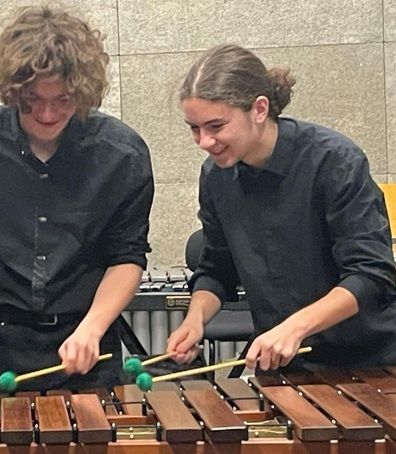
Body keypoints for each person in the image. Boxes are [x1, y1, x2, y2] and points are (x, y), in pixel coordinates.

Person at [0, 5, 154, 395]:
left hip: (87, 347)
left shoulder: (122, 154)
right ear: (12, 91)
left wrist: (92, 328)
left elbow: (127, 256)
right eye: (32, 101)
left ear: (84, 91)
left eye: (64, 99)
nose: (48, 113)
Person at [168, 44, 396, 372]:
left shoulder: (334, 162)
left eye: (216, 126)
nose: (204, 142)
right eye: (194, 128)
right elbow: (218, 269)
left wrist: (295, 327)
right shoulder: (215, 176)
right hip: (285, 369)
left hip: (368, 363)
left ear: (259, 109)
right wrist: (195, 320)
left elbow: (371, 275)